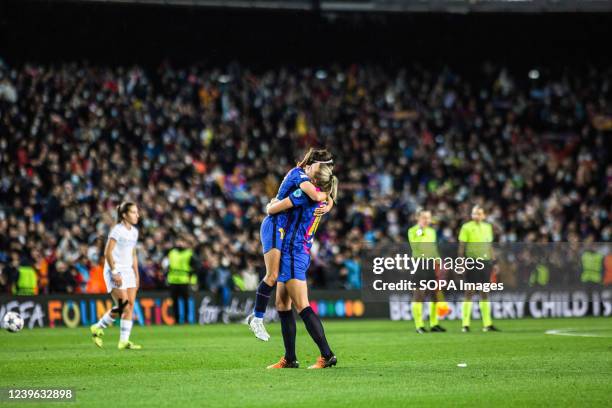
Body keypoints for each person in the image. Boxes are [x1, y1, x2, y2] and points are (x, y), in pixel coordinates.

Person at [247, 148, 334, 341]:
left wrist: (328, 201)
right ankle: (257, 319)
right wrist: (326, 200)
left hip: (282, 228)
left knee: (279, 291)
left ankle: (259, 320)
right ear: (311, 166)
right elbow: (273, 210)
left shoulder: (307, 183)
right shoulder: (300, 178)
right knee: (272, 275)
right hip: (274, 224)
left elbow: (323, 193)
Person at [265, 165, 338, 369]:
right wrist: (330, 201)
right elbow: (326, 196)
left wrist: (272, 203)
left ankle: (327, 354)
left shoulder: (303, 195)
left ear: (313, 181)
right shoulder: (323, 197)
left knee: (302, 305)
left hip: (292, 252)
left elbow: (272, 209)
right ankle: (290, 358)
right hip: (300, 250)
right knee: (282, 304)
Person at [89, 202, 142, 349]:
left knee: (129, 306)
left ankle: (124, 341)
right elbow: (107, 252)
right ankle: (98, 327)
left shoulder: (134, 232)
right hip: (115, 270)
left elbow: (133, 253)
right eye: (133, 212)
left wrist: (136, 275)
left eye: (137, 212)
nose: (137, 215)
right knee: (123, 305)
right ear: (124, 215)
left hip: (128, 270)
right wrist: (114, 272)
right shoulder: (117, 230)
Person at [458, 205, 500, 333]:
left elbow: (490, 245)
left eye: (479, 213)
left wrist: (495, 262)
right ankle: (465, 324)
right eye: (474, 213)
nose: (476, 215)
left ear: (484, 215)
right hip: (472, 261)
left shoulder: (488, 227)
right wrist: (461, 261)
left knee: (484, 292)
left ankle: (487, 324)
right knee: (469, 292)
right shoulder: (466, 227)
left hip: (486, 262)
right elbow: (462, 246)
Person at [407, 209, 446, 334]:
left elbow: (433, 249)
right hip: (418, 263)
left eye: (428, 217)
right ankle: (419, 325)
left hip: (431, 264)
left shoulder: (432, 232)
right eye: (424, 217)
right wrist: (420, 230)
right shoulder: (413, 231)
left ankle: (434, 324)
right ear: (418, 218)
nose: (426, 220)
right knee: (419, 294)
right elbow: (415, 246)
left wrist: (439, 262)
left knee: (434, 294)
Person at [165, 236, 199, 324]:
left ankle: (186, 320)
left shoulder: (189, 253)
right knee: (174, 301)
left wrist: (193, 281)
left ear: (186, 243)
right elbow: (168, 266)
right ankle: (176, 320)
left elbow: (195, 269)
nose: (180, 243)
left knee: (185, 301)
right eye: (178, 241)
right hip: (173, 280)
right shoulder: (171, 253)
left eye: (182, 242)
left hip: (184, 280)